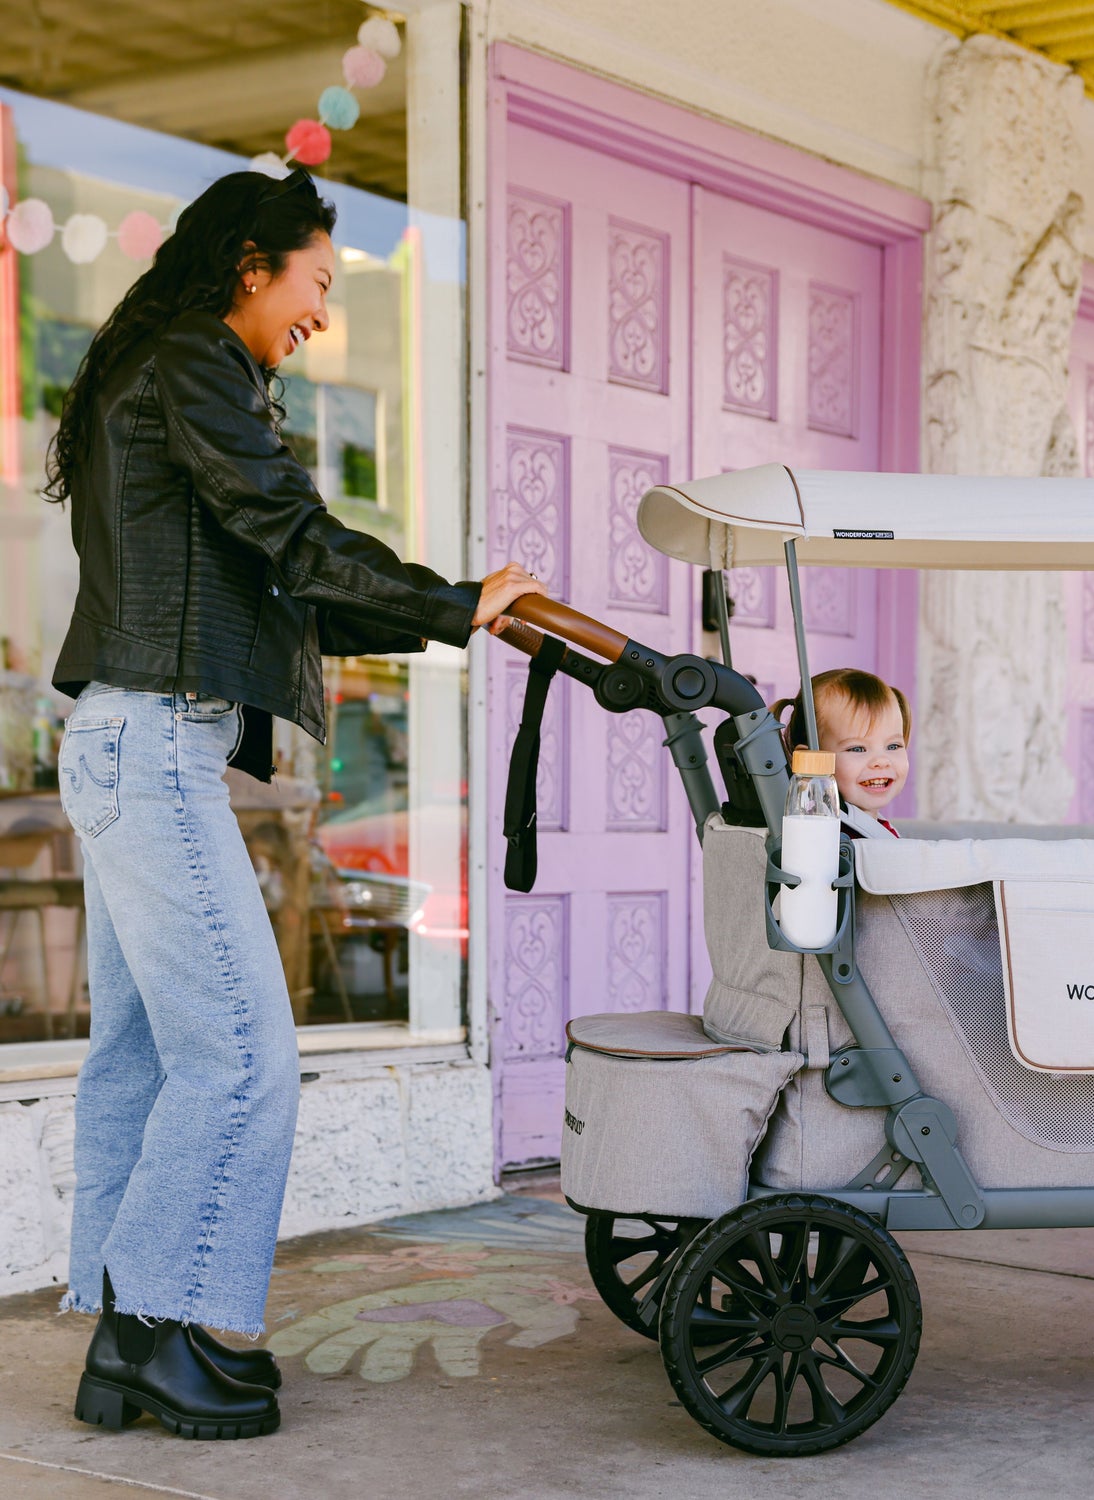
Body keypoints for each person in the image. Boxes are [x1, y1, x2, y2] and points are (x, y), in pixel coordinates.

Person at [45, 168, 545, 1440]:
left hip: (130, 738)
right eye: (320, 281)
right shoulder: (197, 363)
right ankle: (157, 1332)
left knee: (152, 1057)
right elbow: (292, 533)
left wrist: (434, 607)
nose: (323, 310)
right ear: (253, 265)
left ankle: (125, 1343)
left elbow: (272, 554)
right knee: (245, 1055)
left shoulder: (150, 365)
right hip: (148, 742)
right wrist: (453, 602)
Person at [772, 668, 911, 839]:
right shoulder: (830, 838)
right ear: (809, 760)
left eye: (893, 746)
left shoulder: (875, 826)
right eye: (857, 749)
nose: (882, 761)